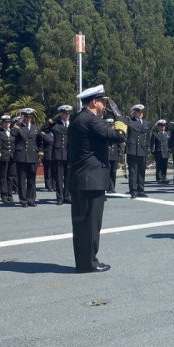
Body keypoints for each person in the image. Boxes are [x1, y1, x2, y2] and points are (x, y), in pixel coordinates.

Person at [68, 85, 127, 273]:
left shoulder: (78, 118)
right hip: (91, 179)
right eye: (103, 101)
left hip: (82, 178)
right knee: (91, 224)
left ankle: (84, 262)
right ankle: (89, 263)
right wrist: (119, 117)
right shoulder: (91, 120)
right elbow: (118, 136)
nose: (105, 105)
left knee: (82, 225)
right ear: (94, 102)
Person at [13, 108, 42, 207]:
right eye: (26, 116)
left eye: (30, 117)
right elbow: (12, 134)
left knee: (31, 180)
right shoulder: (18, 127)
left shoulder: (35, 128)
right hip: (21, 156)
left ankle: (31, 199)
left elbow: (39, 141)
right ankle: (23, 200)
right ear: (23, 117)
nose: (28, 118)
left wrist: (39, 153)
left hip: (32, 156)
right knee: (22, 180)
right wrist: (18, 123)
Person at [49, 105, 73, 205]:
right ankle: (60, 197)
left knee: (68, 177)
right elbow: (45, 128)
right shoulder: (56, 125)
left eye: (68, 113)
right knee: (59, 178)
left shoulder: (72, 125)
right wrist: (55, 118)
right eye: (64, 113)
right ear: (61, 114)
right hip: (58, 154)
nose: (67, 115)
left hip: (69, 154)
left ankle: (67, 196)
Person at [125, 104, 150, 198]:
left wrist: (148, 148)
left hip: (142, 150)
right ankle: (133, 191)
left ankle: (141, 189)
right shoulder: (130, 122)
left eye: (141, 112)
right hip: (132, 150)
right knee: (133, 172)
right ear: (134, 113)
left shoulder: (146, 123)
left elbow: (148, 138)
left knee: (141, 172)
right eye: (138, 112)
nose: (140, 114)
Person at [0, 114, 17, 202]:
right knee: (3, 176)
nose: (7, 124)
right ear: (2, 123)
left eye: (8, 122)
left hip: (12, 157)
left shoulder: (12, 132)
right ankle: (4, 194)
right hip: (3, 157)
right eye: (5, 122)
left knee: (11, 176)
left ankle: (10, 194)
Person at [150, 119, 170, 183]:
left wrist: (170, 150)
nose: (162, 127)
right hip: (158, 152)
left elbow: (169, 143)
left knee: (165, 165)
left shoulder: (167, 134)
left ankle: (164, 177)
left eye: (163, 126)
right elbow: (152, 143)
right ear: (158, 127)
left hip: (166, 152)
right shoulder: (155, 134)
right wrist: (152, 151)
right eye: (160, 126)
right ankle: (159, 178)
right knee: (159, 166)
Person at [106, 119, 121, 193]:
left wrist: (119, 154)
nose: (111, 126)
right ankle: (108, 188)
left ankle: (112, 187)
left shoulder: (116, 133)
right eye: (109, 124)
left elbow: (119, 145)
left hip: (114, 155)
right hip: (107, 155)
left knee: (113, 172)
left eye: (112, 124)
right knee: (107, 172)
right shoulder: (105, 133)